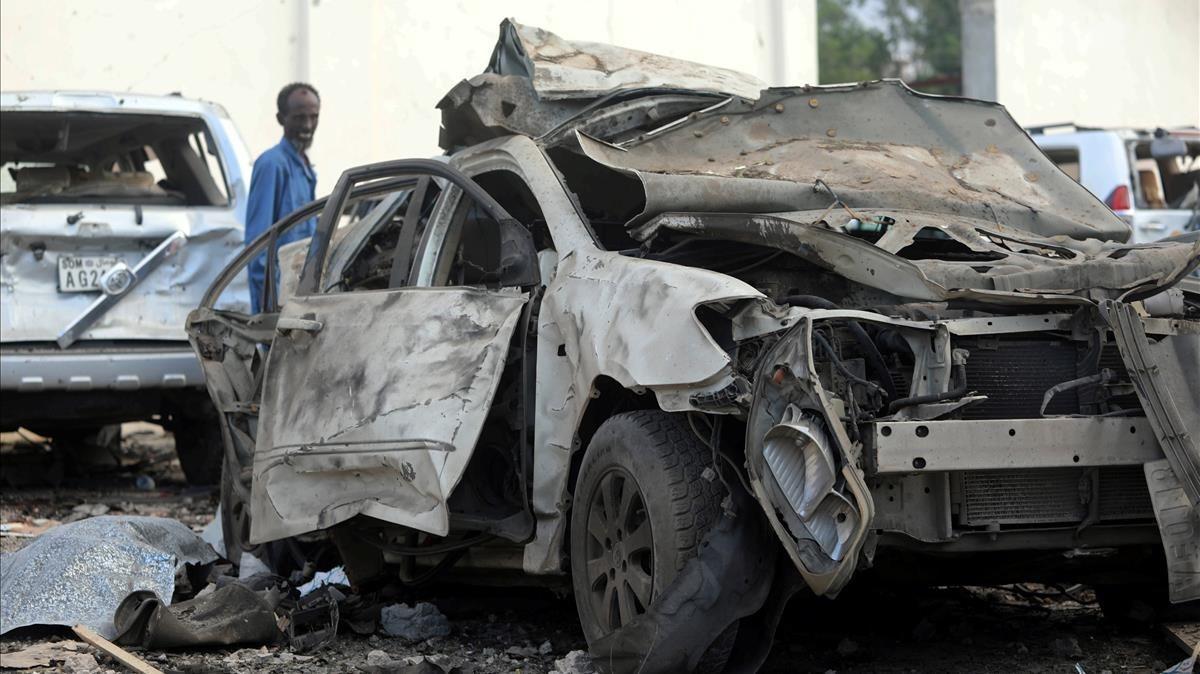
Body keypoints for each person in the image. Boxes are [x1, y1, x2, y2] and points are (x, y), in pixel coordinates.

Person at [244, 82, 320, 312]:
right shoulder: (272, 165)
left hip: (301, 295)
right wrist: (268, 307)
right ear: (281, 118)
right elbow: (258, 245)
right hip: (278, 300)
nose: (307, 126)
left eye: (313, 117)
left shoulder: (304, 166)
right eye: (299, 118)